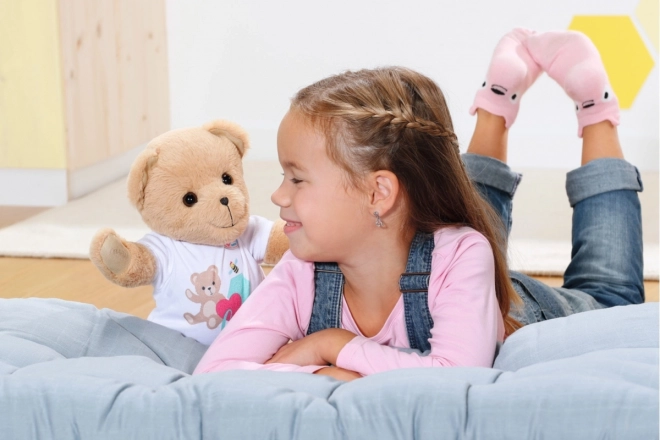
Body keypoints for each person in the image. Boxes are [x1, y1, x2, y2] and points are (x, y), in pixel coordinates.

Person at [193, 29, 644, 381]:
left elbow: (458, 375)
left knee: (612, 296)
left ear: (377, 194)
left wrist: (331, 346)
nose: (277, 195)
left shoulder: (462, 253)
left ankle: (595, 108)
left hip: (523, 307)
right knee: (445, 198)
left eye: (297, 178)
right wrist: (331, 375)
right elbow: (214, 374)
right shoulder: (301, 272)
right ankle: (497, 99)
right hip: (448, 276)